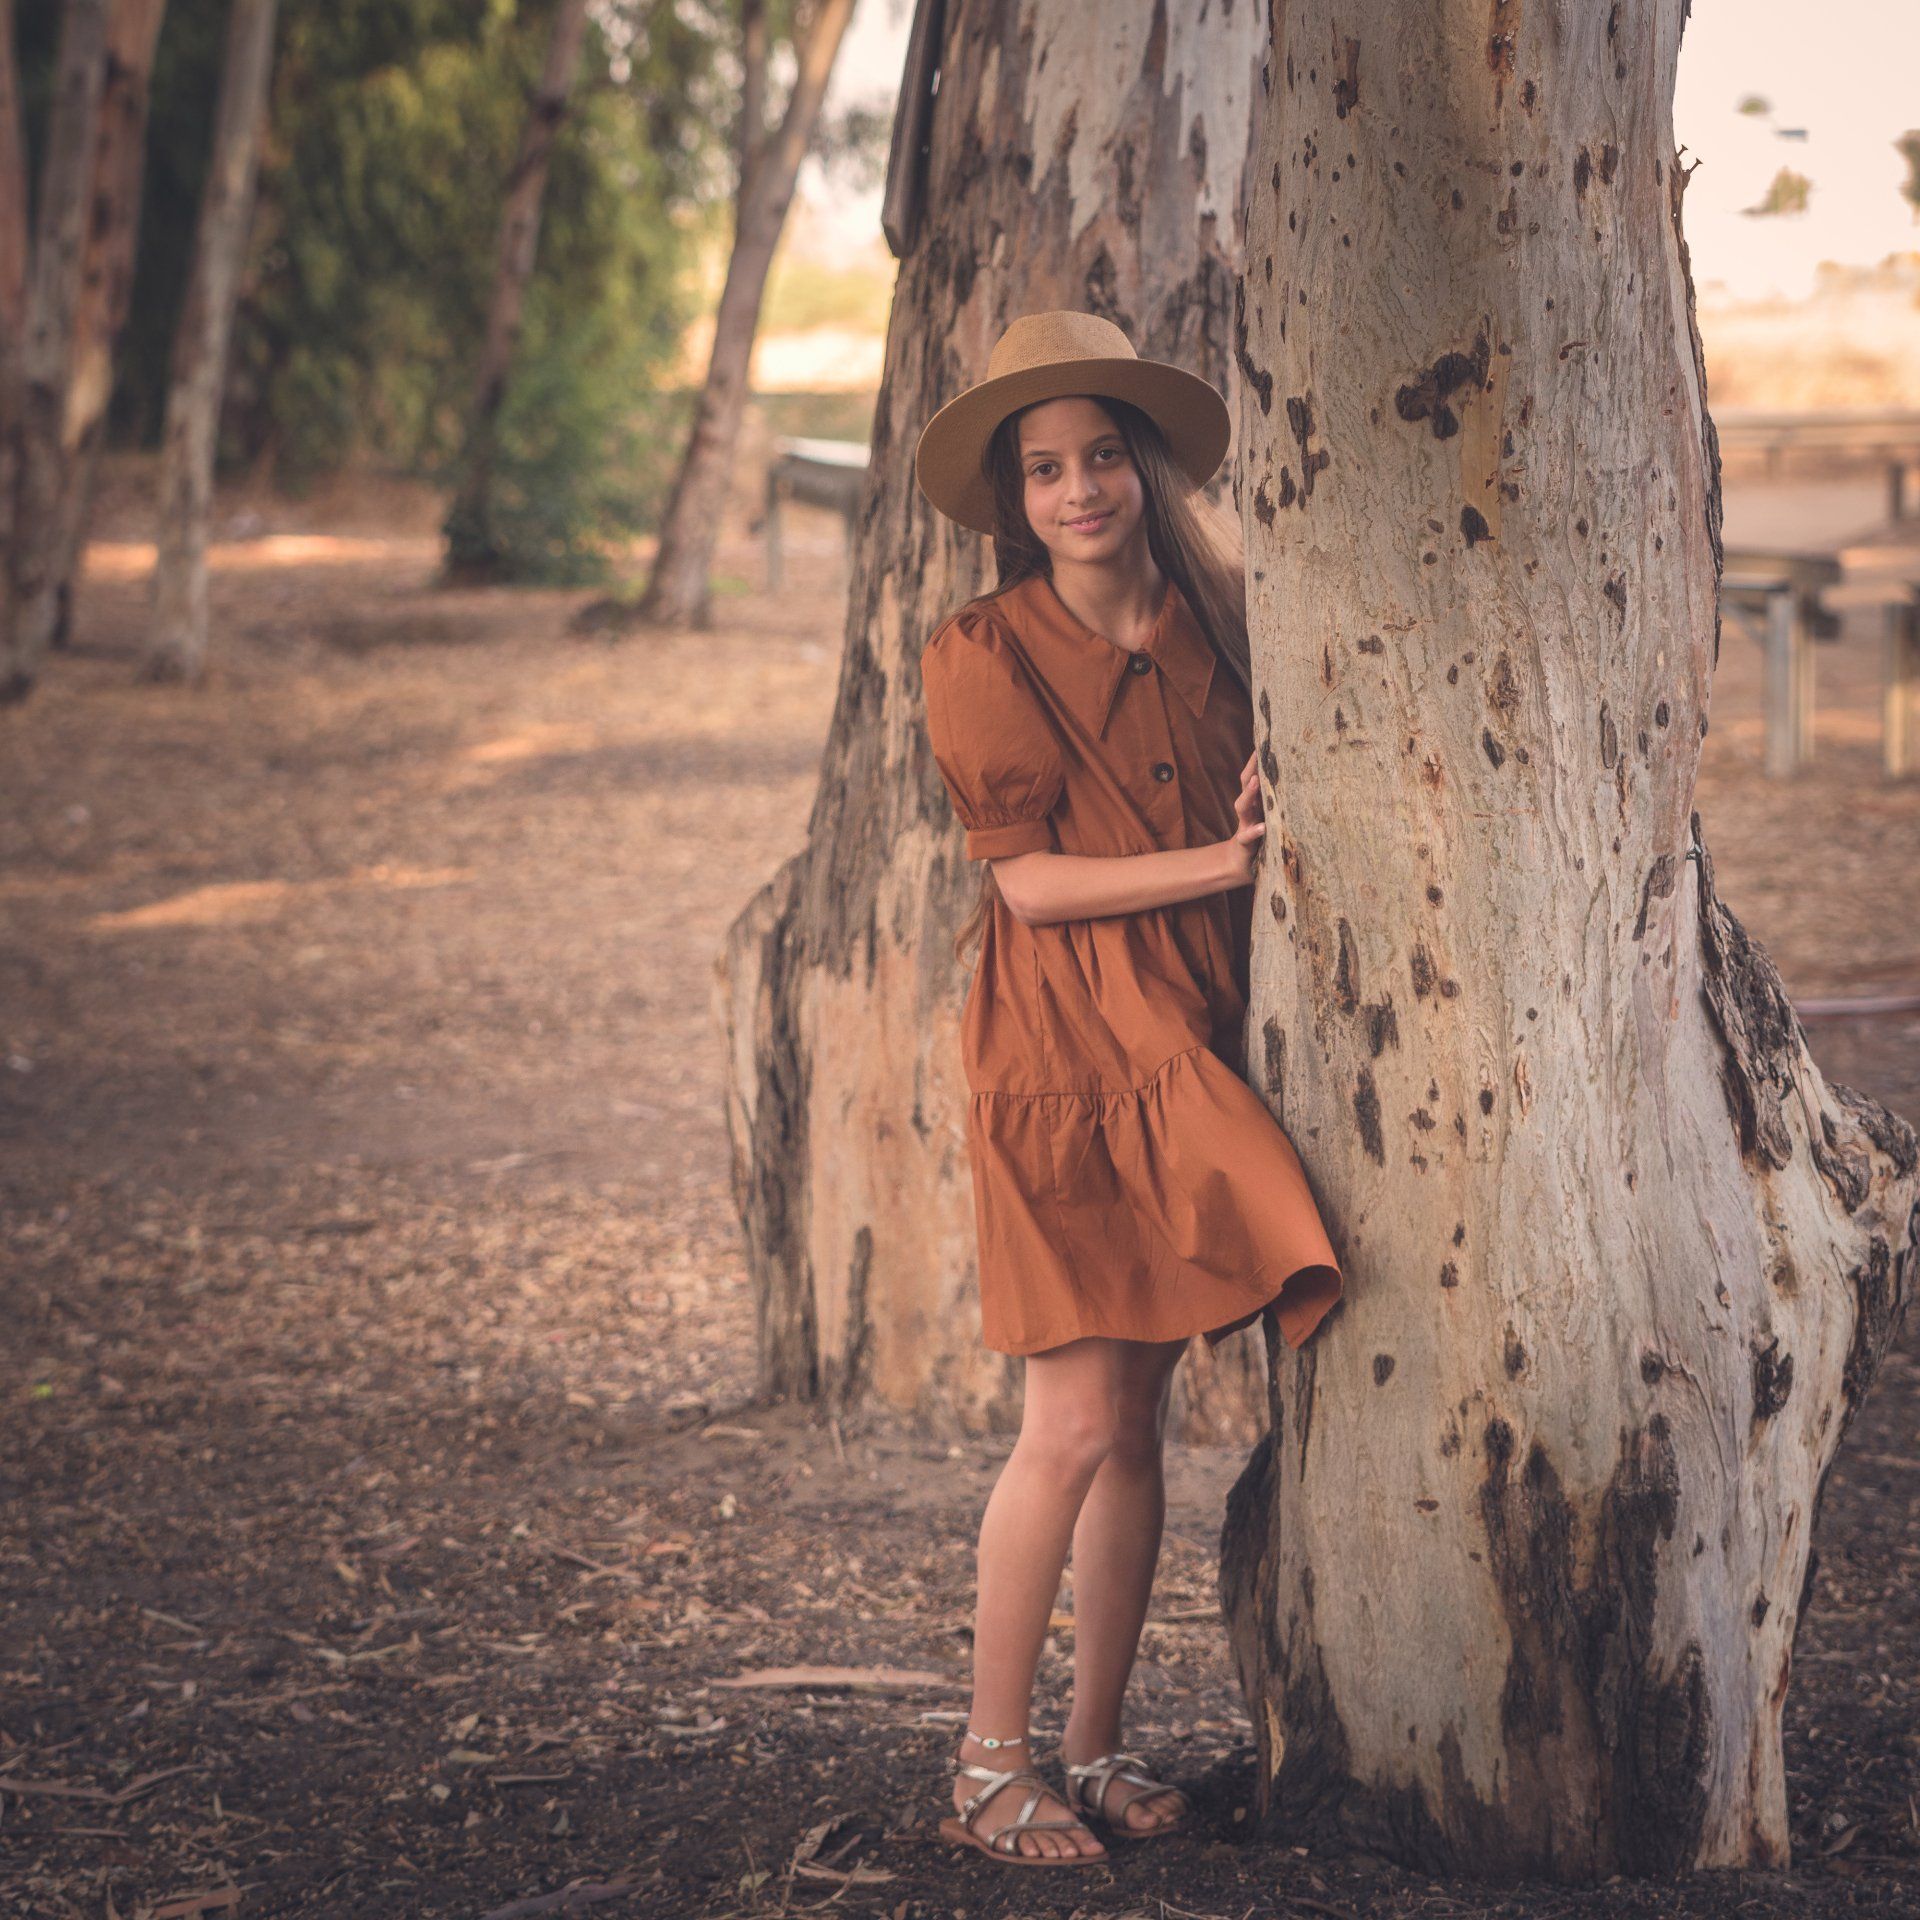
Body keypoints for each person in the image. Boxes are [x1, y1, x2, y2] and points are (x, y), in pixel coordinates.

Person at [910, 310, 1346, 1870]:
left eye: (1101, 455)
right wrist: (1225, 858)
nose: (1078, 489)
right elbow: (1025, 887)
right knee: (1074, 1418)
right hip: (1070, 1052)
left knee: (1144, 1422)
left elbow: (1290, 771)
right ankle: (984, 1764)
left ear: (1144, 465)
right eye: (1044, 469)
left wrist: (1273, 784)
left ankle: (1091, 1752)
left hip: (1197, 1029)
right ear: (1014, 497)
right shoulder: (981, 650)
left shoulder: (1228, 614)